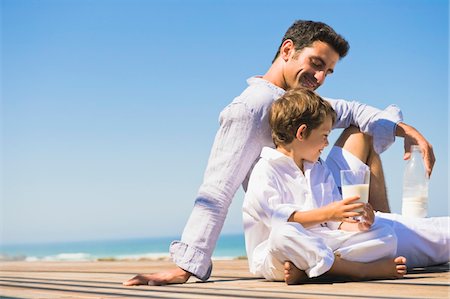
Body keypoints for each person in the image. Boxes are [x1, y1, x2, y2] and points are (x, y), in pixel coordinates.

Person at [124, 20, 444, 287]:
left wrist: (407, 131)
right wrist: (186, 266)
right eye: (316, 65)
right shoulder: (250, 109)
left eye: (328, 72)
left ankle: (377, 224)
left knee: (362, 131)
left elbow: (352, 111)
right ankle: (373, 248)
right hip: (295, 228)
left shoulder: (301, 101)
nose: (319, 79)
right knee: (424, 239)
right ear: (287, 50)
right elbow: (216, 191)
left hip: (332, 217)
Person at [243, 87, 407, 284]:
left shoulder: (319, 168)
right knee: (283, 233)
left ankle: (311, 269)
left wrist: (360, 225)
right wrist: (329, 213)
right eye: (324, 135)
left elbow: (334, 223)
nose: (327, 143)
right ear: (302, 132)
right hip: (278, 255)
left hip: (320, 245)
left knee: (387, 236)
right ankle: (357, 270)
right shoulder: (265, 170)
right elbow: (282, 221)